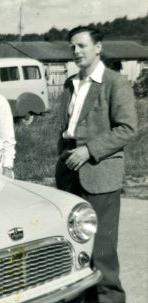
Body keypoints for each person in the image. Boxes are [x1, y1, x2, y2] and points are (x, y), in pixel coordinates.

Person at [55, 26, 138, 303]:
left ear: (98, 47)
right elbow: (67, 127)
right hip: (70, 175)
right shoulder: (70, 83)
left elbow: (127, 128)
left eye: (82, 46)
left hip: (100, 176)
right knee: (76, 252)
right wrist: (63, 157)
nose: (76, 52)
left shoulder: (115, 82)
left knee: (102, 253)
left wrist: (89, 150)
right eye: (72, 48)